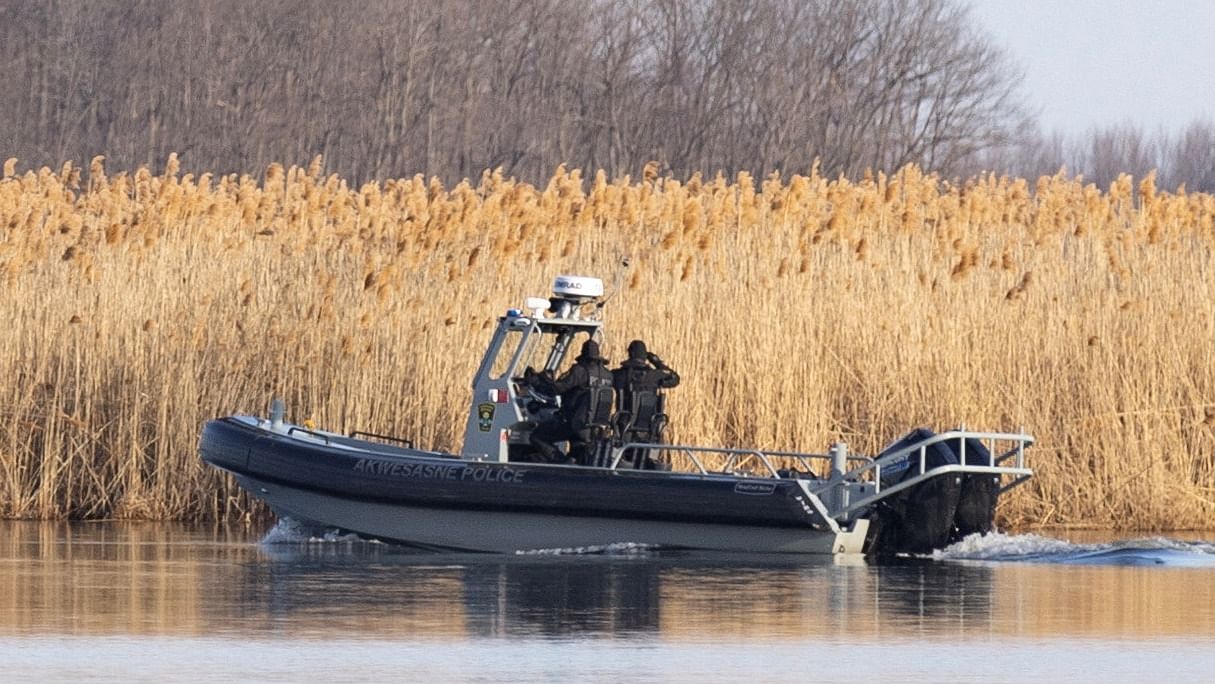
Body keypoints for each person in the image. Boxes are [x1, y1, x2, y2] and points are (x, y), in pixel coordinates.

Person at [525, 339, 615, 464]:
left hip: (572, 423)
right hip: (595, 428)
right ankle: (571, 463)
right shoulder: (608, 375)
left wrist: (536, 383)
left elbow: (556, 389)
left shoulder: (580, 371)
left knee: (537, 436)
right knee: (576, 448)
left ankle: (562, 461)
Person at [612, 340, 679, 468]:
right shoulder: (655, 376)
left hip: (624, 428)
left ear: (630, 354)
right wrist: (657, 362)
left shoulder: (619, 375)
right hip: (650, 430)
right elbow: (675, 379)